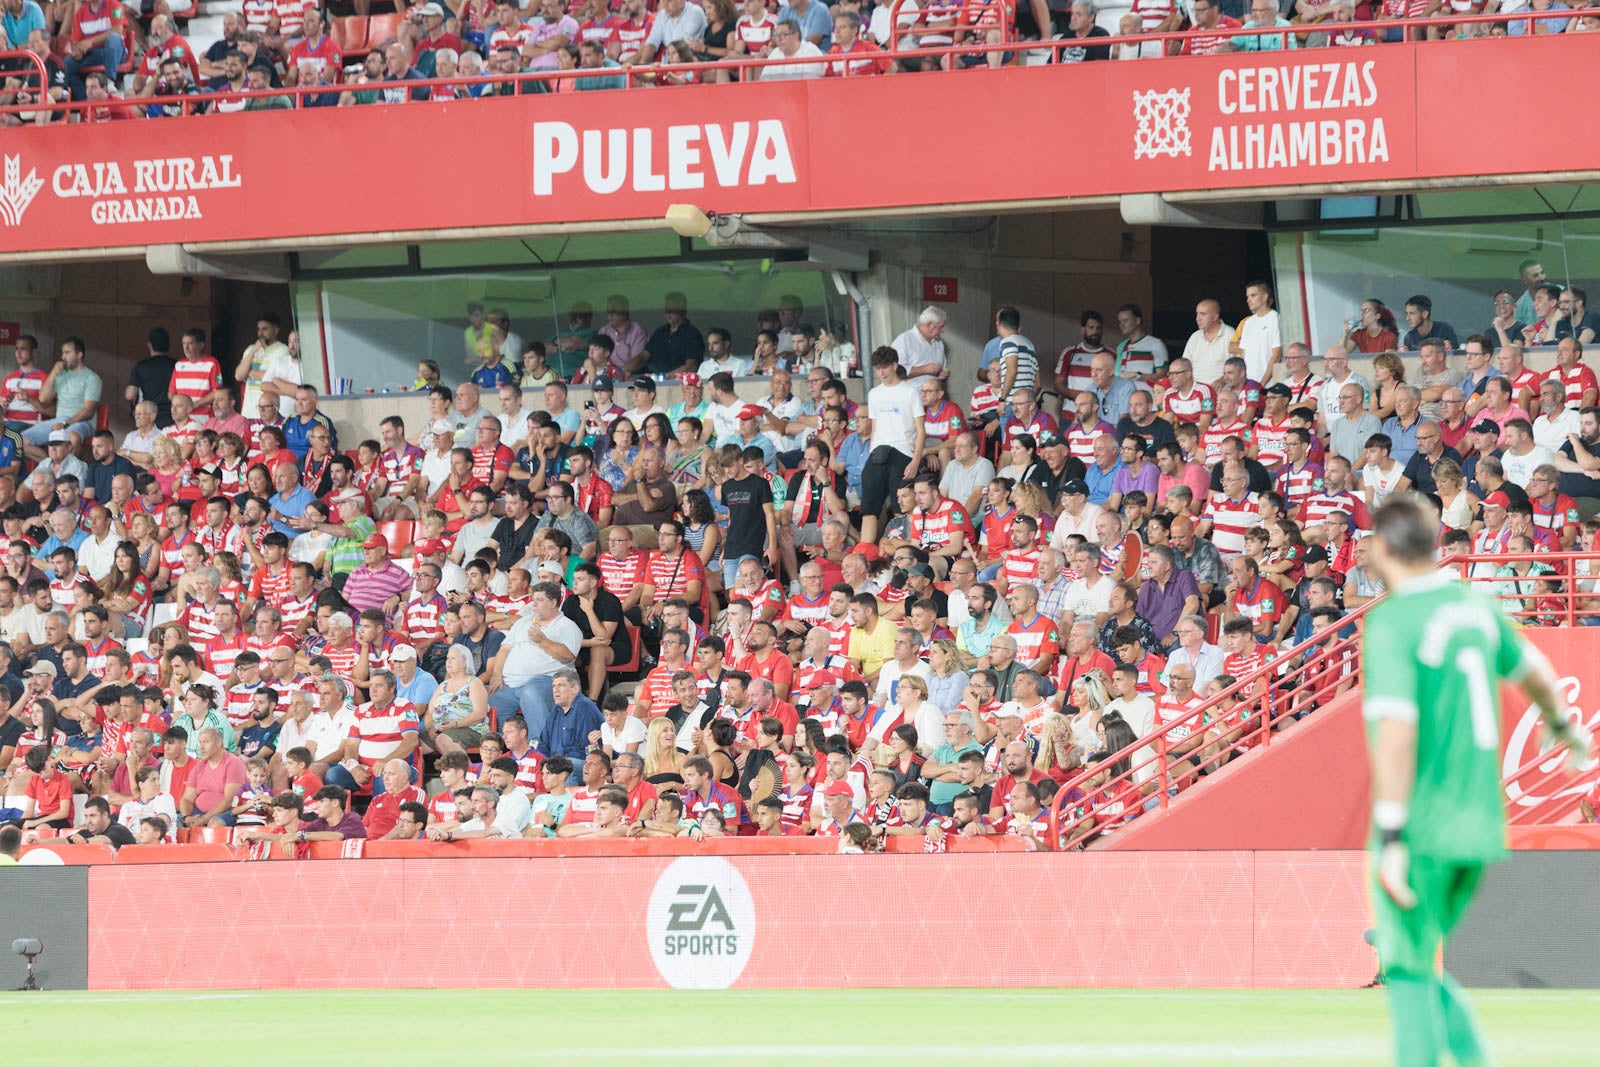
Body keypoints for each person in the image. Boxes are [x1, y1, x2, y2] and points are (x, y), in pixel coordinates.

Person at [1363, 494, 1586, 1067]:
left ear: (1383, 548)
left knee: (1408, 971)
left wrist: (1390, 835)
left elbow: (1396, 730)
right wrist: (1561, 725)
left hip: (1424, 820)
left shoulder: (1392, 621)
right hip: (1481, 825)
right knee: (1411, 957)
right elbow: (1536, 669)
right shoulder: (1474, 607)